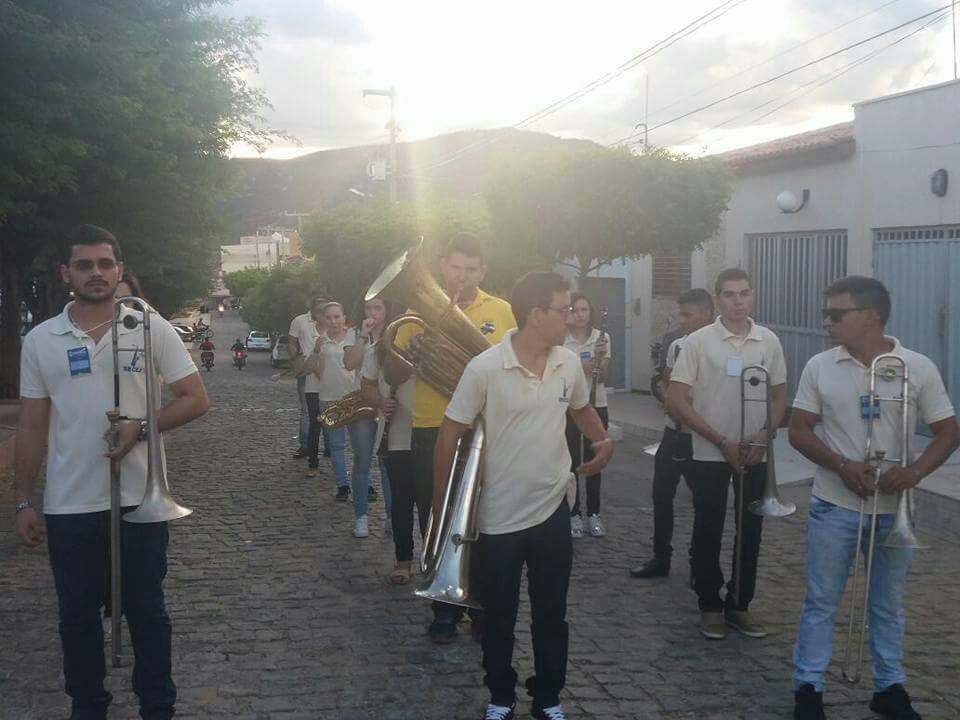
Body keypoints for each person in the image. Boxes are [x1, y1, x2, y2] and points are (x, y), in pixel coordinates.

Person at [13, 224, 210, 720]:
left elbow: (195, 399)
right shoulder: (40, 340)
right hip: (69, 505)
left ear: (119, 269)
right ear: (66, 273)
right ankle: (88, 707)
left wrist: (140, 428)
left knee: (147, 612)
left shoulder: (149, 326)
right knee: (76, 618)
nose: (96, 273)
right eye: (84, 265)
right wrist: (23, 500)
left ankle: (158, 707)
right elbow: (32, 426)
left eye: (105, 263)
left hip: (140, 497)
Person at [435, 271, 613, 720]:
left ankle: (548, 697)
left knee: (552, 613)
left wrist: (602, 441)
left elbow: (581, 408)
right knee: (498, 615)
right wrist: (442, 507)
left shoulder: (568, 362)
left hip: (554, 510)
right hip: (498, 517)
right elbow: (449, 433)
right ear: (536, 314)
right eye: (563, 310)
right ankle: (501, 696)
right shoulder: (485, 368)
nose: (571, 317)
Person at [787, 276, 958, 720]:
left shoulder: (917, 367)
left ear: (871, 316)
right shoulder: (820, 365)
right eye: (825, 313)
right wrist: (841, 464)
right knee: (821, 601)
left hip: (894, 508)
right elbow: (799, 430)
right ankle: (809, 688)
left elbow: (948, 432)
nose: (826, 321)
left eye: (836, 314)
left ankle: (889, 687)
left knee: (887, 604)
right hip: (834, 505)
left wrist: (915, 472)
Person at [387, 232, 516, 644]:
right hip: (432, 425)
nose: (463, 276)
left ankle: (480, 604)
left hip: (486, 427)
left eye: (471, 269)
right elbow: (393, 374)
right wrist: (412, 350)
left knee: (485, 518)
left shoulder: (502, 310)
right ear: (443, 267)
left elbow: (511, 367)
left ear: (484, 271)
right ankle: (444, 606)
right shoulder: (416, 314)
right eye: (456, 268)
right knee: (437, 514)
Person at [666, 268, 787, 641]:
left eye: (744, 293)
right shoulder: (698, 342)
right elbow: (676, 399)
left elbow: (779, 397)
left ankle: (739, 603)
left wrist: (763, 435)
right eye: (730, 295)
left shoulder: (768, 340)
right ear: (718, 299)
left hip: (754, 453)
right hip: (709, 451)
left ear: (752, 295)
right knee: (708, 529)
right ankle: (709, 604)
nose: (738, 301)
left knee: (751, 531)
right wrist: (720, 440)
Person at [631, 288, 715, 580]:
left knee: (703, 501)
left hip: (701, 436)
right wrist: (668, 396)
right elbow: (666, 381)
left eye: (687, 315)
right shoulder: (677, 344)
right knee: (661, 495)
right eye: (681, 314)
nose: (682, 320)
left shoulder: (716, 347)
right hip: (673, 432)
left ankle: (699, 563)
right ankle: (660, 557)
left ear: (706, 314)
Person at [360, 300, 417, 583]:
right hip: (396, 435)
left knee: (432, 504)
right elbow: (367, 385)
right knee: (400, 504)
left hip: (432, 432)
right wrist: (381, 401)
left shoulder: (433, 347)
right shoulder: (378, 350)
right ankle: (403, 560)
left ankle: (434, 560)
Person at [341, 297, 391, 537]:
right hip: (363, 404)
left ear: (387, 310)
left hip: (388, 405)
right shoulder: (354, 333)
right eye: (368, 308)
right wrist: (362, 336)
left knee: (388, 464)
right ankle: (361, 517)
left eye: (378, 308)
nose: (373, 312)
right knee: (362, 461)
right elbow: (350, 363)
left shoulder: (394, 332)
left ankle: (392, 516)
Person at [563, 292, 611, 538]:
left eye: (584, 310)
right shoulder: (561, 339)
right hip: (570, 406)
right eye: (574, 310)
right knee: (570, 461)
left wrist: (599, 360)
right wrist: (582, 366)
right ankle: (573, 514)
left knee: (595, 459)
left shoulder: (601, 338)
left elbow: (603, 377)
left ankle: (594, 513)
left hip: (596, 404)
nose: (579, 315)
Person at [289, 297, 329, 459]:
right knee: (306, 410)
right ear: (312, 309)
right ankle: (305, 446)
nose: (322, 313)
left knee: (328, 408)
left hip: (328, 372)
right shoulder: (299, 321)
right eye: (319, 310)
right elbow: (292, 342)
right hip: (307, 372)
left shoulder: (332, 321)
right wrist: (295, 359)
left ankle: (329, 446)